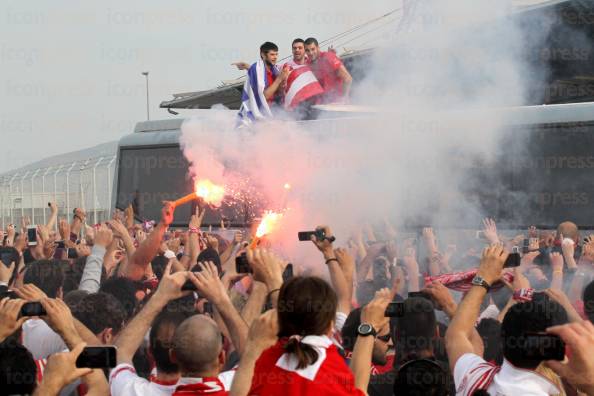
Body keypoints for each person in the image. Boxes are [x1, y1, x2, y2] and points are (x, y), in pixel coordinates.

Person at [445, 245, 569, 396]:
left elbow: (457, 333)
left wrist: (484, 277)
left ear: (502, 340)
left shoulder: (475, 375)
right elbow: (457, 334)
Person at [230, 276, 366, 396]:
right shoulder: (331, 370)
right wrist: (369, 329)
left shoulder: (264, 356)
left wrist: (253, 347)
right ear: (330, 325)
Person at [304, 37, 353, 103]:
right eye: (307, 50)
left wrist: (343, 99)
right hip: (321, 105)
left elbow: (347, 78)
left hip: (335, 104)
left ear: (318, 48)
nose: (310, 53)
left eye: (313, 49)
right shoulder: (307, 64)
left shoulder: (328, 57)